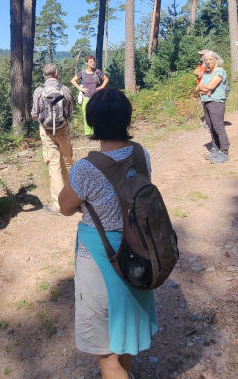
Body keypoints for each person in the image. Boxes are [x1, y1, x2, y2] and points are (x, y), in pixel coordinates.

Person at [58, 88, 157, 379]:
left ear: (93, 124)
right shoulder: (141, 154)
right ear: (127, 118)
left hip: (100, 258)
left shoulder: (86, 168)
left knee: (106, 351)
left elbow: (65, 206)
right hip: (138, 249)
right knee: (123, 332)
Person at [31, 62, 74, 216]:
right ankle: (76, 197)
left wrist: (45, 121)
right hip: (63, 129)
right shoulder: (64, 89)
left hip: (46, 131)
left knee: (54, 164)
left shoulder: (39, 91)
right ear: (56, 73)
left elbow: (34, 114)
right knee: (68, 160)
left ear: (44, 75)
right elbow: (69, 112)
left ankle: (59, 205)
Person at [196, 51, 230, 164]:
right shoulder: (206, 73)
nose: (208, 62)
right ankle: (215, 149)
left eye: (210, 59)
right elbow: (198, 88)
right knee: (210, 127)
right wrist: (205, 89)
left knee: (218, 126)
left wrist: (205, 88)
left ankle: (224, 152)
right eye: (206, 60)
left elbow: (211, 86)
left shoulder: (220, 71)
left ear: (216, 60)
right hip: (206, 101)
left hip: (216, 102)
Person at [71, 55, 109, 136]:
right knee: (86, 116)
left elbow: (106, 79)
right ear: (86, 63)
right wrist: (81, 89)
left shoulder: (97, 72)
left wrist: (102, 87)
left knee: (97, 114)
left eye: (93, 61)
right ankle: (88, 133)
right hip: (86, 98)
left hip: (96, 98)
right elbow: (73, 80)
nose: (93, 63)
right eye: (90, 61)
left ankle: (97, 131)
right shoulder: (82, 73)